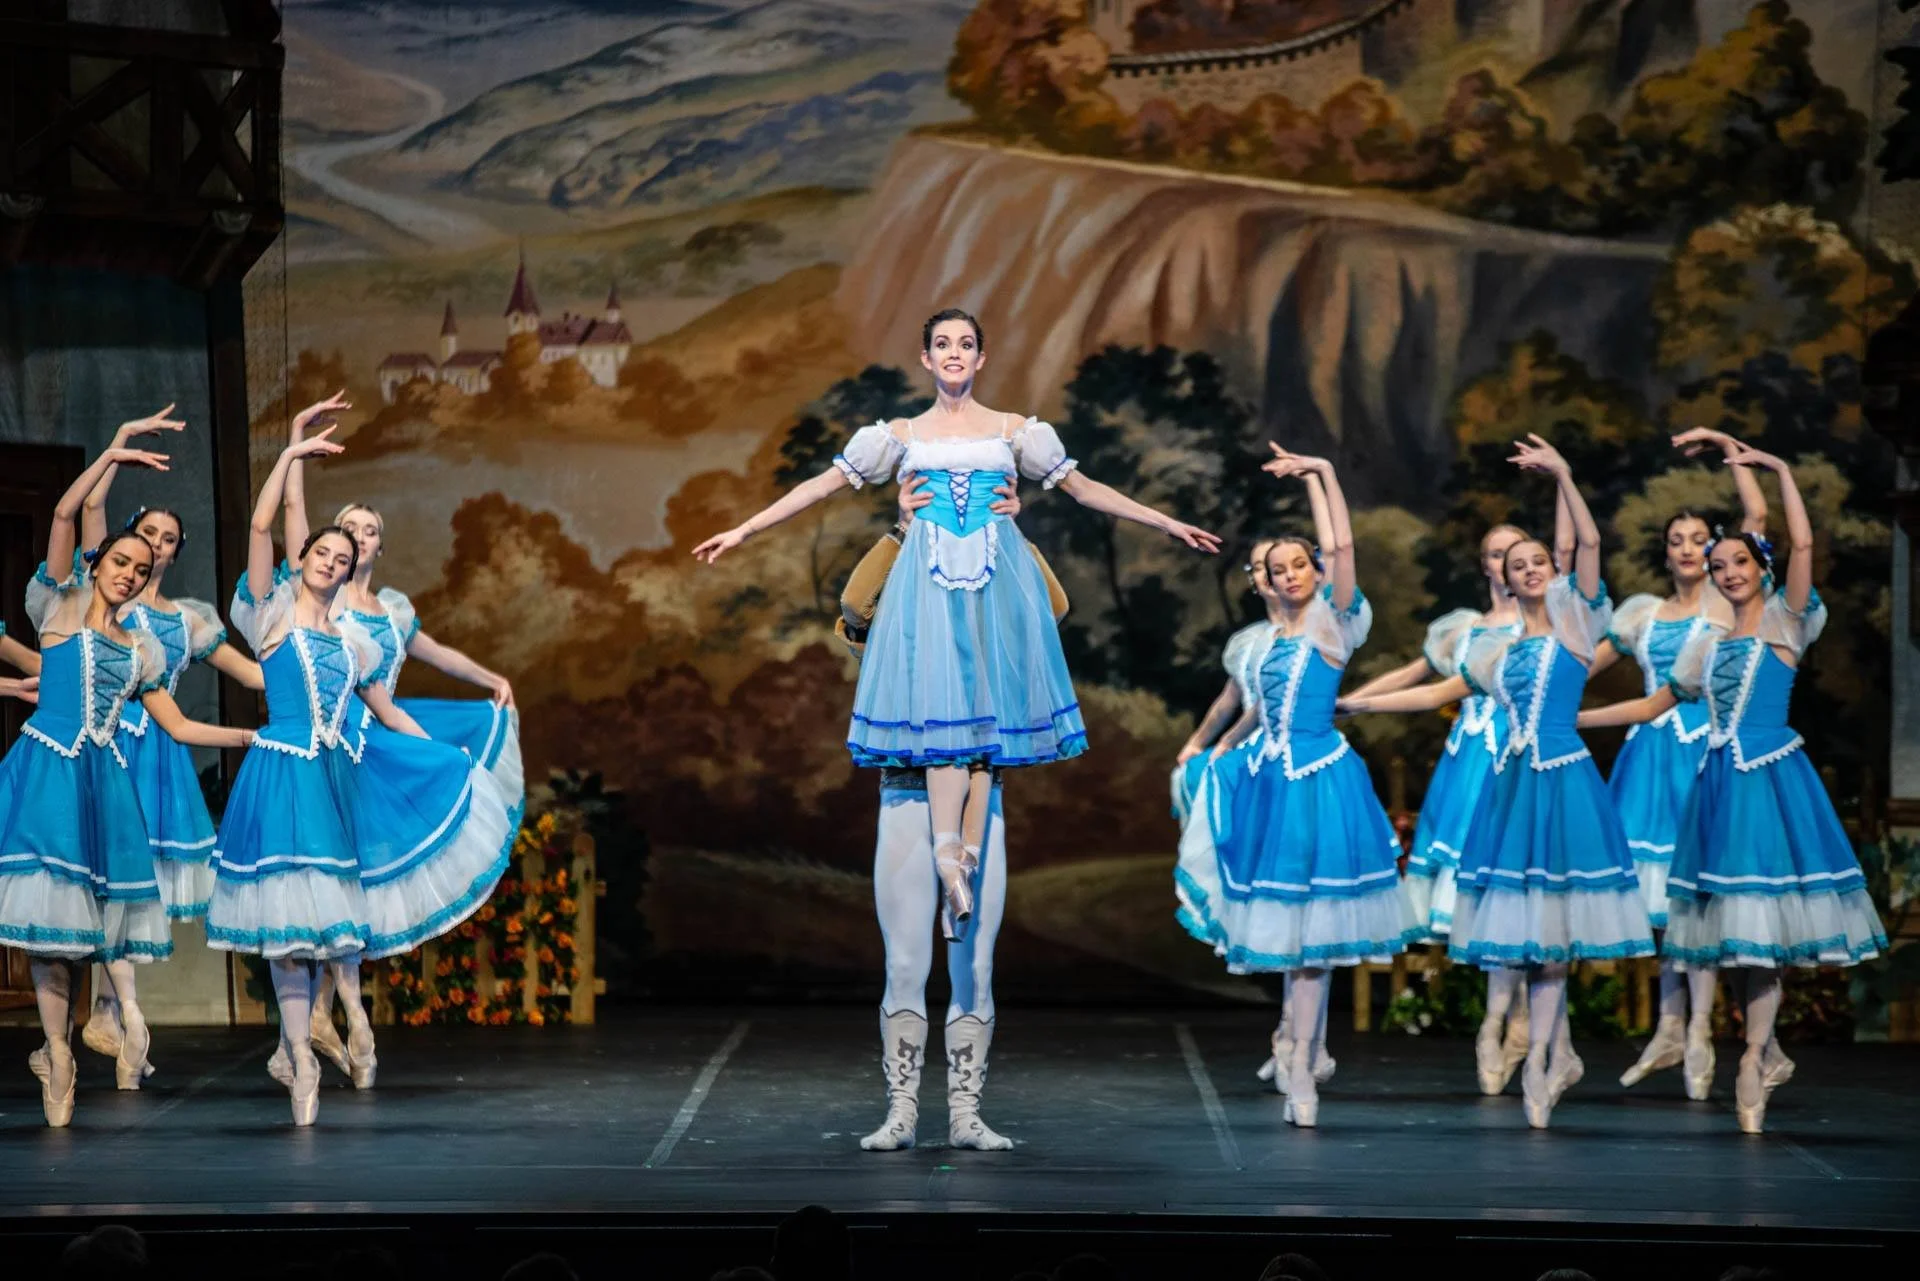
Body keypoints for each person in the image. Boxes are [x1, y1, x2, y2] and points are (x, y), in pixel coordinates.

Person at [695, 309, 1218, 945]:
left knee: (982, 732)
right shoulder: (900, 436)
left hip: (997, 586)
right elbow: (822, 485)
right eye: (942, 343)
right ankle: (950, 858)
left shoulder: (1016, 432)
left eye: (965, 344)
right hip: (929, 586)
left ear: (980, 357)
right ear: (925, 358)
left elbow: (1085, 489)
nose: (953, 353)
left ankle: (960, 864)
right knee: (946, 721)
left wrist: (1166, 522)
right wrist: (744, 529)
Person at [1340, 437, 1652, 1127]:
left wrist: (1564, 474)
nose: (1532, 569)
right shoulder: (1495, 653)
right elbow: (1434, 693)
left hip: (1564, 783)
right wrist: (1358, 704)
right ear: (1505, 580)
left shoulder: (1577, 627)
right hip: (1512, 787)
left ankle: (1542, 1059)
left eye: (1539, 560)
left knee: (1556, 927)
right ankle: (1535, 1051)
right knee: (1522, 925)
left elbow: (1588, 544)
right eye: (1519, 565)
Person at [1577, 446, 1884, 1133]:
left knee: (1761, 930)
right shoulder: (1708, 643)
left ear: (1761, 566)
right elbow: (1651, 705)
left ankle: (1751, 1057)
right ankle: (1757, 1050)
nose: (1728, 573)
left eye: (1739, 562)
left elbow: (1803, 542)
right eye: (1719, 567)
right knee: (1730, 932)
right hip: (1716, 786)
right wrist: (1572, 719)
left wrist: (1778, 471)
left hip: (1768, 780)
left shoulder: (1787, 619)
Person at [206, 431, 475, 1124]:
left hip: (331, 780)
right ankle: (299, 1056)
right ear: (303, 558)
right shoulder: (268, 612)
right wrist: (289, 455)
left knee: (328, 925)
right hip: (281, 773)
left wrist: (445, 756)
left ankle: (314, 1040)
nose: (331, 561)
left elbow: (387, 710)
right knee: (285, 926)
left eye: (343, 557)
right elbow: (261, 525)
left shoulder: (353, 642)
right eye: (323, 552)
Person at [1, 437, 252, 1126]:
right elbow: (65, 513)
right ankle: (58, 1052)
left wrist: (250, 737)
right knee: (49, 928)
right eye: (120, 560)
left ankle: (115, 1019)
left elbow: (180, 726)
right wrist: (112, 453)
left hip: (104, 785)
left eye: (141, 570)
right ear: (97, 562)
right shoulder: (58, 607)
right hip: (48, 772)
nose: (130, 574)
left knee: (98, 916)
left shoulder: (140, 650)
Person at [280, 391, 521, 1082]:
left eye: (369, 529)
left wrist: (490, 679)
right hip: (330, 745)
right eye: (348, 528)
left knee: (351, 883)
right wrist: (296, 448)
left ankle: (331, 1014)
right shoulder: (317, 600)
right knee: (337, 880)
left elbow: (433, 656)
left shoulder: (391, 610)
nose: (358, 537)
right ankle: (342, 1015)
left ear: (379, 545)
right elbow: (293, 520)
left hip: (377, 745)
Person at [1176, 448, 1416, 1127]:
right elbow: (1251, 709)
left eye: (1299, 565)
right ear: (1267, 581)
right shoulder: (1265, 643)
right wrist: (1216, 752)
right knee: (1291, 932)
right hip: (1270, 782)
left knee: (1315, 939)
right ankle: (1295, 1044)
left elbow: (1340, 545)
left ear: (1315, 571)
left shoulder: (1332, 621)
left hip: (1320, 783)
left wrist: (1322, 475)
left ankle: (1305, 1062)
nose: (1290, 575)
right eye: (1278, 569)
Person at [72, 408, 267, 1071]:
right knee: (105, 875)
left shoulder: (189, 620)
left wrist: (320, 670)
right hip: (107, 741)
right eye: (147, 532)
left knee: (137, 885)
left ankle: (111, 1010)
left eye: (167, 537)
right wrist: (120, 447)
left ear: (178, 551)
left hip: (157, 749)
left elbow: (253, 674)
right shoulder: (110, 594)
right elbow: (90, 509)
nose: (155, 544)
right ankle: (111, 1010)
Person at [852, 478, 1023, 1152]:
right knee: (904, 962)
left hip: (981, 797)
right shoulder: (899, 608)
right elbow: (853, 604)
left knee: (974, 963)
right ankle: (901, 1110)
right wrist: (905, 529)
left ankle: (965, 1113)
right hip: (905, 793)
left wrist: (1007, 528)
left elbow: (1053, 605)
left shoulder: (988, 595)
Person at [1595, 427, 1766, 1095]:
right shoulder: (1642, 615)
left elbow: (1755, 522)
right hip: (1650, 758)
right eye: (1677, 540)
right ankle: (1672, 1026)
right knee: (1664, 899)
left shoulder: (1727, 602)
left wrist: (1730, 452)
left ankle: (1697, 1030)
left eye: (1700, 540)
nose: (1690, 550)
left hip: (1704, 751)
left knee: (1697, 891)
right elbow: (1577, 664)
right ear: (1664, 552)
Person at [1341, 523, 1532, 1094]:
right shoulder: (1463, 629)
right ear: (1485, 565)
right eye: (1495, 554)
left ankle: (1512, 1019)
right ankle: (1504, 1019)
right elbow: (1417, 678)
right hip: (1468, 768)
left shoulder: (1544, 627)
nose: (1506, 563)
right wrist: (1353, 701)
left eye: (1516, 553)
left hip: (1518, 761)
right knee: (1485, 896)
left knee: (1517, 890)